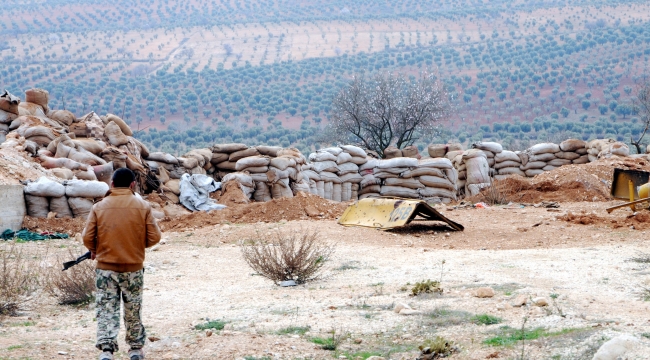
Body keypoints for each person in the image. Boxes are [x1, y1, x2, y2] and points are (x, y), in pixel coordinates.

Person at [82, 168, 161, 360]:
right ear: (133, 185)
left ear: (112, 184)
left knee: (106, 308)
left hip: (105, 269)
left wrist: (95, 250)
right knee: (133, 308)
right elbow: (155, 237)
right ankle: (135, 348)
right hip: (133, 268)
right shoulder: (143, 206)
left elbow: (87, 237)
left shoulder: (99, 207)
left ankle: (107, 350)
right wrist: (136, 246)